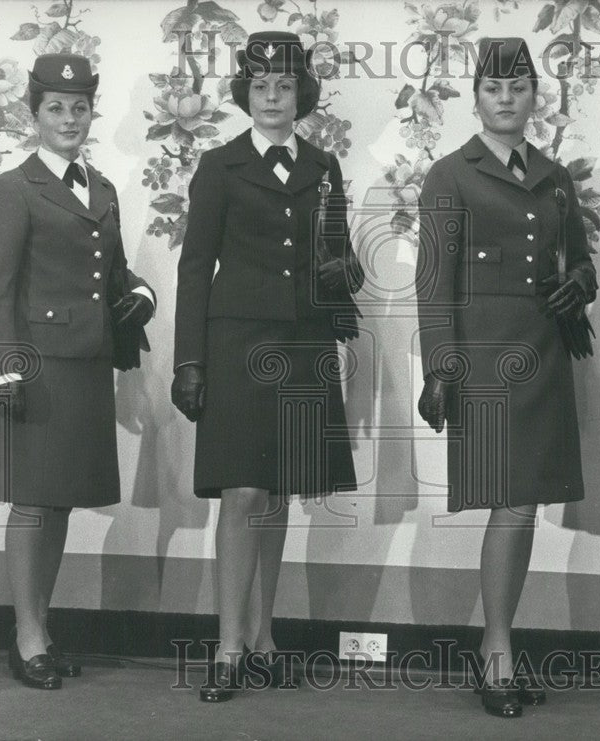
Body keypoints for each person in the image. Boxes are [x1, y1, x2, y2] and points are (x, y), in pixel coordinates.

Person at [171, 31, 362, 702]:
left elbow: (333, 255)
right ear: (246, 94)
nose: (274, 95)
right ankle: (226, 644)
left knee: (279, 489)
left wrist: (346, 279)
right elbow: (195, 267)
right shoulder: (219, 165)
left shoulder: (324, 164)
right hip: (237, 344)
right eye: (261, 86)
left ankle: (262, 637)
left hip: (306, 345)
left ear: (300, 93)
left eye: (285, 85)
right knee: (242, 491)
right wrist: (188, 360)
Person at [415, 37, 597, 718]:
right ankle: (496, 653)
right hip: (484, 362)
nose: (506, 98)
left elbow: (581, 262)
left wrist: (579, 281)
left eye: (518, 87)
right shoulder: (448, 175)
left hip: (544, 357)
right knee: (510, 503)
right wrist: (439, 366)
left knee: (523, 506)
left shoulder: (553, 176)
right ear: (476, 97)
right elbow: (431, 280)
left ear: (534, 96)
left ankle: (500, 647)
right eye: (494, 88)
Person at [0, 53, 155, 690]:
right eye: (56, 107)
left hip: (85, 367)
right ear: (34, 114)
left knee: (59, 507)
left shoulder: (99, 186)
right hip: (36, 369)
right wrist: (3, 371)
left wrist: (141, 296)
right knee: (32, 503)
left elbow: (113, 273)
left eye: (79, 108)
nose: (69, 118)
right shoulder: (13, 187)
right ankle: (26, 640)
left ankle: (40, 631)